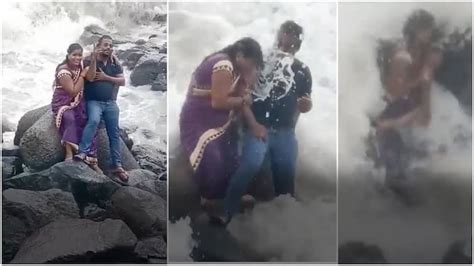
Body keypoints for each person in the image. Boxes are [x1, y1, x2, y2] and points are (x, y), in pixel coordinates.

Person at [218, 21, 313, 224]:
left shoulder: (302, 70)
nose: (285, 48)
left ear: (298, 46)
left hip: (286, 132)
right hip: (257, 128)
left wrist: (307, 105)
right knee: (249, 165)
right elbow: (241, 90)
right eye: (282, 42)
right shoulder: (262, 64)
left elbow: (305, 104)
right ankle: (227, 211)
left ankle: (285, 224)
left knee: (286, 179)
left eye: (290, 44)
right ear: (277, 39)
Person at [179, 37, 263, 210]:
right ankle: (210, 198)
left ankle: (230, 195)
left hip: (219, 121)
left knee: (233, 158)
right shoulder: (223, 64)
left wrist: (254, 124)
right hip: (198, 120)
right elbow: (218, 102)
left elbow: (241, 99)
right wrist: (242, 99)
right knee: (213, 157)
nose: (252, 67)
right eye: (252, 62)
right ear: (240, 55)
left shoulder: (237, 70)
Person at [374, 9, 441, 201]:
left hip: (406, 112)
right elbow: (395, 90)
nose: (428, 33)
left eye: (429, 29)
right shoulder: (402, 55)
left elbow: (424, 92)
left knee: (407, 162)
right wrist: (421, 78)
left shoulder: (425, 54)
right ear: (415, 30)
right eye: (425, 29)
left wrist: (425, 108)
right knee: (395, 168)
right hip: (393, 112)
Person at [74, 35, 128, 182]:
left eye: (110, 45)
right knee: (93, 121)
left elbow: (122, 81)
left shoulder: (114, 62)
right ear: (98, 46)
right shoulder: (88, 60)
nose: (108, 48)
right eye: (105, 45)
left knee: (114, 133)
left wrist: (106, 77)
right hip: (94, 101)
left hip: (110, 103)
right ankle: (82, 152)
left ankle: (117, 165)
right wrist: (93, 59)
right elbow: (90, 78)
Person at [51, 43, 101, 173]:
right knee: (70, 117)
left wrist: (94, 60)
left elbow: (90, 77)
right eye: (74, 55)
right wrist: (82, 75)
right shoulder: (63, 71)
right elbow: (72, 92)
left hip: (78, 101)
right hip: (63, 101)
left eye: (80, 55)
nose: (77, 58)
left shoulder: (81, 66)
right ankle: (69, 152)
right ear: (68, 55)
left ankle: (91, 157)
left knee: (90, 120)